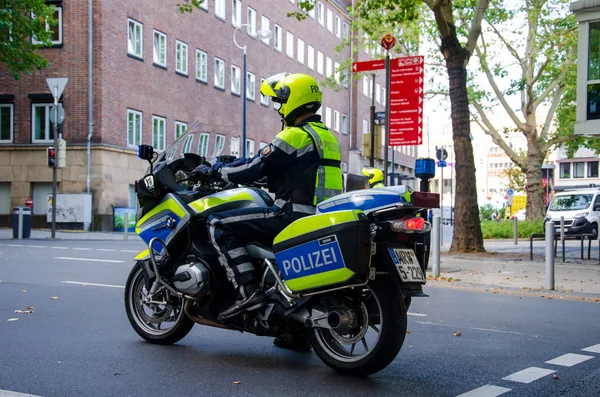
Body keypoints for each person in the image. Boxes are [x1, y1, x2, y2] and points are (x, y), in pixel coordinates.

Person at [193, 73, 343, 341]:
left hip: (290, 215)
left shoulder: (295, 135)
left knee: (217, 223)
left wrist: (217, 171)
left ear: (291, 100)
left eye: (279, 101)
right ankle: (294, 333)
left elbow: (256, 165)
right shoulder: (327, 138)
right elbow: (289, 173)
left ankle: (248, 291)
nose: (278, 108)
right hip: (319, 217)